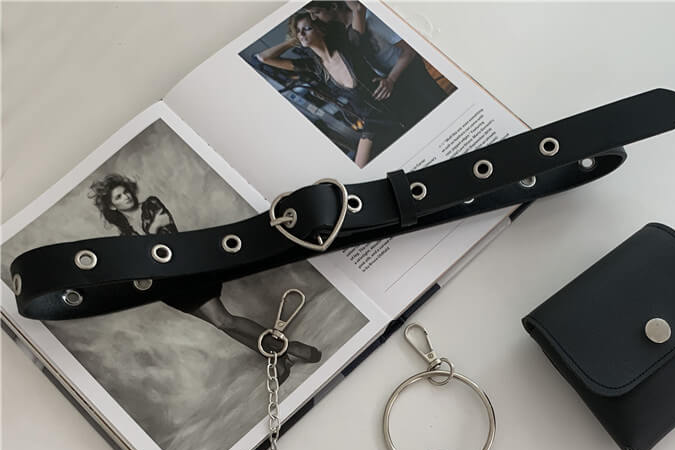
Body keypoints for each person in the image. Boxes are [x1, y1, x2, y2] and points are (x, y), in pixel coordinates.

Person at [88, 174, 321, 382]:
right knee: (223, 327)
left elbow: (168, 240)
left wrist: (148, 245)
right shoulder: (125, 233)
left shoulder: (151, 204)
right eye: (119, 196)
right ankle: (277, 359)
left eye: (125, 191)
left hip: (188, 273)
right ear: (113, 206)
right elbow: (144, 261)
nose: (126, 197)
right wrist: (151, 236)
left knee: (224, 320)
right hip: (168, 289)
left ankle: (291, 347)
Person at [256, 11, 406, 166]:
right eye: (298, 31)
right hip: (372, 122)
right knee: (360, 166)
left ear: (321, 30)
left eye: (306, 28)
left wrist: (390, 80)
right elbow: (264, 58)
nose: (301, 34)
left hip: (393, 102)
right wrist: (294, 40)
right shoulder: (314, 67)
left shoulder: (346, 45)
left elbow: (358, 9)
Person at [304, 1, 447, 121]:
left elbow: (409, 51)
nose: (314, 18)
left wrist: (391, 79)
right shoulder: (345, 33)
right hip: (391, 82)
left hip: (409, 71)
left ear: (333, 6)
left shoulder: (371, 19)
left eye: (316, 12)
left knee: (440, 109)